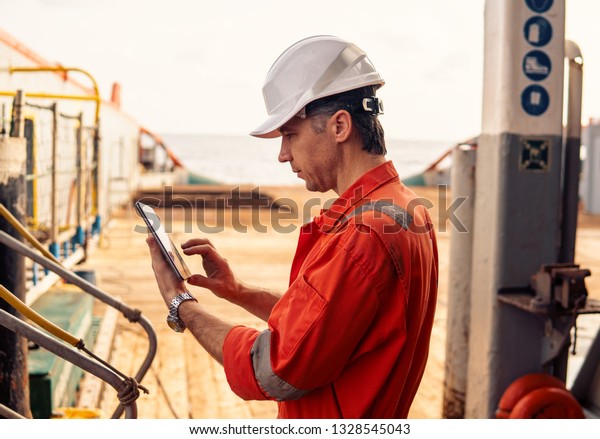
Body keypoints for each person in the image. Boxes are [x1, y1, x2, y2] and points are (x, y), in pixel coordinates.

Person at [146, 35, 438, 418]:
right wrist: (237, 291)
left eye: (289, 135)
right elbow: (323, 326)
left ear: (339, 126)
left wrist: (180, 303)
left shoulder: (363, 236)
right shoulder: (405, 208)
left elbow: (273, 371)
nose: (283, 155)